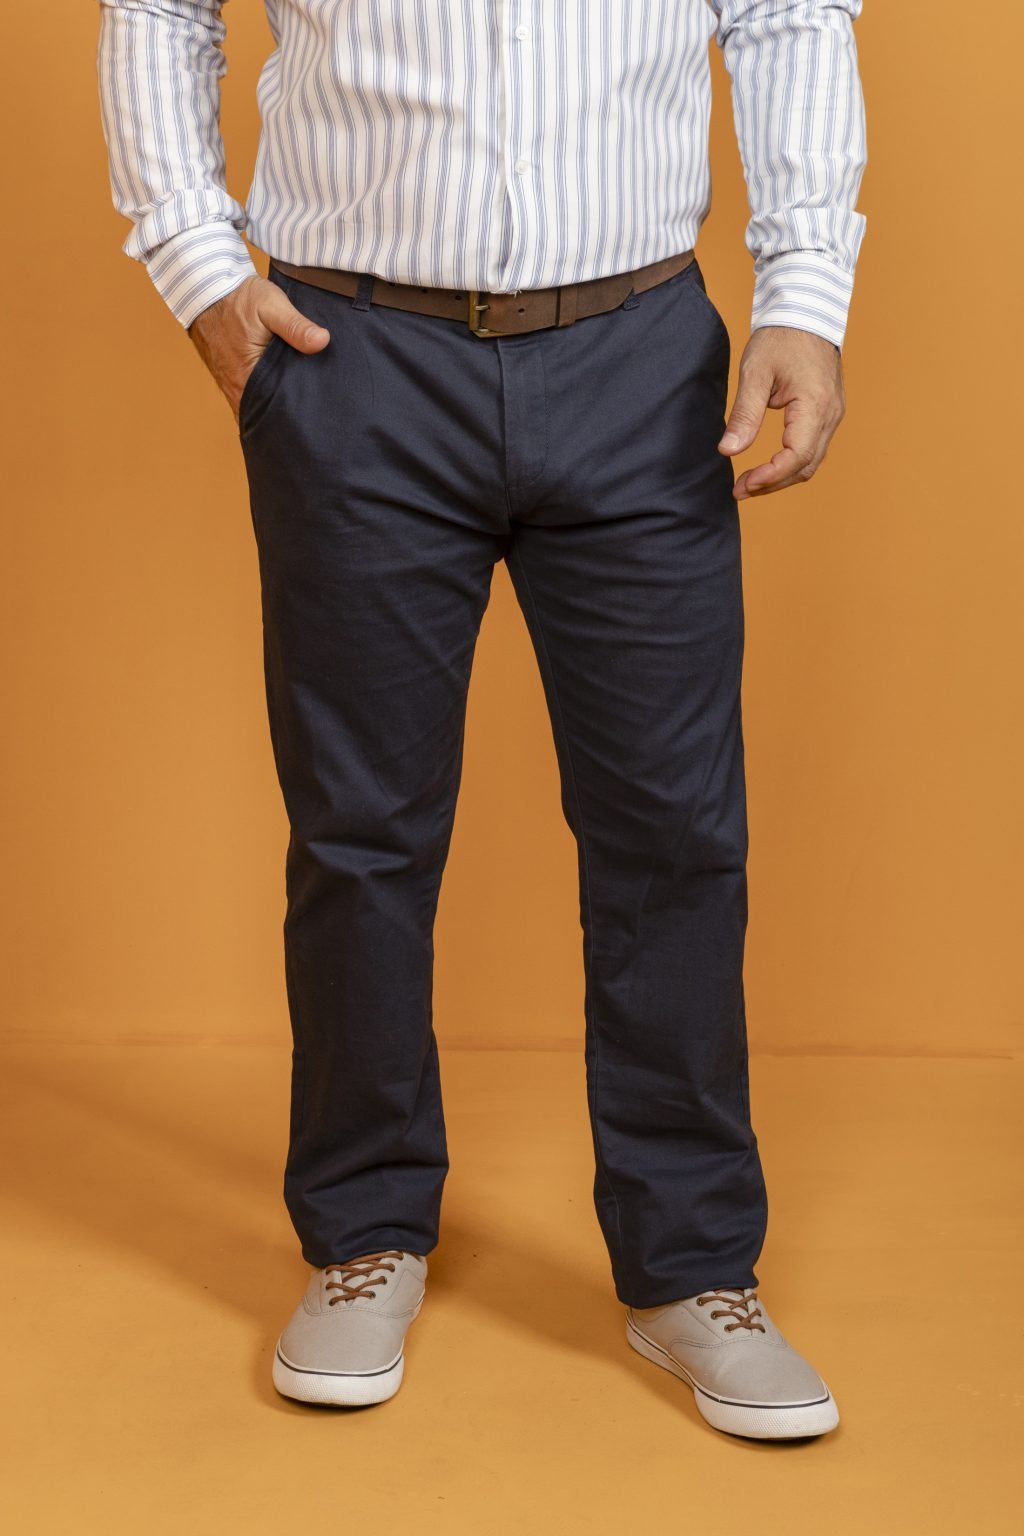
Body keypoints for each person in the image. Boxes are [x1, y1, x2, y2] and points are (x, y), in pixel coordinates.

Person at [96, 0, 866, 1439]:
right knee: (361, 831)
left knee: (676, 831)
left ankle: (693, 1266)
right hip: (354, 357)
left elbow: (784, 14)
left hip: (641, 357)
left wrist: (805, 296)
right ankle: (362, 1235)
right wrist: (200, 266)